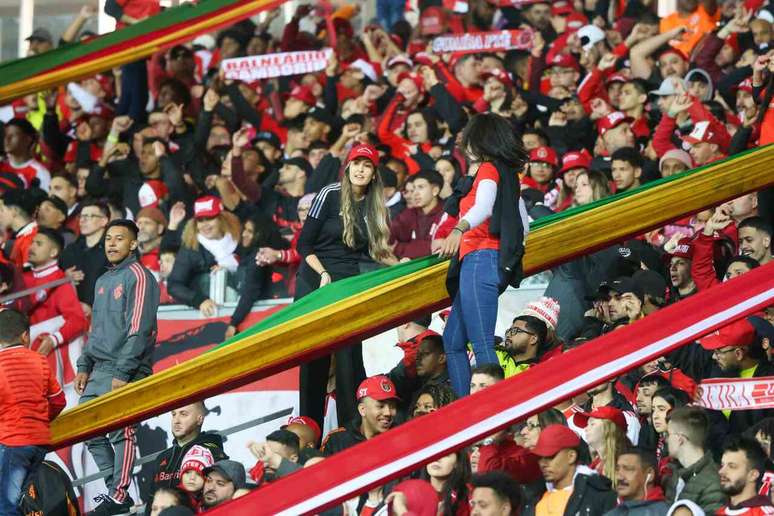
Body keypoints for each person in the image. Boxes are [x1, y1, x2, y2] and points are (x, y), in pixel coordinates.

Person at [296, 143, 397, 428]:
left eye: (366, 166)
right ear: (348, 168)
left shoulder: (376, 206)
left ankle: (351, 430)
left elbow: (377, 252)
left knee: (348, 358)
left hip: (347, 282)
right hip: (316, 278)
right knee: (313, 358)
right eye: (356, 164)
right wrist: (323, 273)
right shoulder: (329, 194)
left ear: (374, 173)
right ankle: (309, 431)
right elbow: (304, 243)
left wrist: (402, 265)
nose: (360, 170)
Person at [74, 219, 160, 515]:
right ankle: (117, 493)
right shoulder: (101, 281)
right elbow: (95, 330)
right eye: (108, 238)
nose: (111, 244)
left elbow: (139, 329)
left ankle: (119, 493)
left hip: (125, 368)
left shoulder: (140, 276)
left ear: (133, 244)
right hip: (98, 368)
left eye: (119, 239)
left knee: (119, 431)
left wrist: (123, 372)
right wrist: (84, 364)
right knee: (87, 429)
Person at [439, 112, 528, 397]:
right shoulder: (507, 175)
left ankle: (495, 410)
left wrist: (458, 229)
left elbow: (484, 208)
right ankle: (467, 407)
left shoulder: (489, 170)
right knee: (452, 341)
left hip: (480, 259)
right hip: (486, 262)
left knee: (481, 343)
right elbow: (524, 222)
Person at [0, 309, 66, 514]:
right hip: (39, 443)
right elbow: (58, 400)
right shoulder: (39, 360)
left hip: (11, 441)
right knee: (19, 503)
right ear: (25, 335)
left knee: (5, 506)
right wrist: (37, 419)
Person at [167, 196, 241, 317]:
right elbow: (174, 285)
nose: (205, 225)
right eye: (200, 220)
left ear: (222, 218)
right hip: (208, 316)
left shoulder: (240, 238)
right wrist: (199, 300)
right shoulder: (190, 249)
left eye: (210, 218)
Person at [23, 227, 88, 358]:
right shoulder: (23, 277)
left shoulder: (60, 281)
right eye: (32, 242)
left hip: (48, 354)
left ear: (53, 252)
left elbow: (78, 320)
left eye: (39, 244)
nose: (32, 247)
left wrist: (54, 339)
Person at [527, 424, 617, 515]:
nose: (543, 463)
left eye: (550, 456)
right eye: (539, 458)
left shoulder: (600, 495)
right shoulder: (535, 499)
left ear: (571, 456)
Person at [149, 401, 227, 499]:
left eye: (183, 414)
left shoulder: (212, 453)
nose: (176, 420)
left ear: (199, 420)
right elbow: (151, 502)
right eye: (174, 414)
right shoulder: (162, 458)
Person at [663, 406, 726, 513]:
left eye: (668, 434)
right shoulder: (674, 475)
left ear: (680, 439)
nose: (666, 440)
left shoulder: (713, 483)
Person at [322, 375, 399, 456]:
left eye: (392, 406)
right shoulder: (338, 442)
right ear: (362, 409)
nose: (388, 413)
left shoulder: (401, 436)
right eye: (381, 406)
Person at [59, 199, 111, 307]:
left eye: (89, 216)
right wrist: (64, 277)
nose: (82, 220)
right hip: (74, 311)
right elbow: (55, 276)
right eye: (81, 216)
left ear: (104, 221)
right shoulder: (71, 250)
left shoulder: (114, 251)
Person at [603, 447, 669, 516]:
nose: (619, 477)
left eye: (628, 469)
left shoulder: (668, 513)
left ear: (650, 474)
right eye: (617, 469)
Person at [717, 436, 774, 514]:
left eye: (732, 466)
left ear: (753, 475)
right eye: (722, 465)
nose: (721, 471)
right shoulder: (720, 512)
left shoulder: (765, 513)